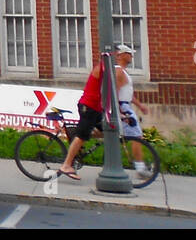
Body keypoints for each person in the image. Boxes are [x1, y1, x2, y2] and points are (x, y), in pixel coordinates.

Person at [57, 42, 135, 180]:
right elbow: (111, 92)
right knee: (83, 136)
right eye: (114, 55)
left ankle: (77, 134)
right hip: (89, 106)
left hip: (97, 108)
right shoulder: (104, 68)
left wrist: (118, 113)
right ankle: (66, 165)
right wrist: (118, 111)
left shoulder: (109, 68)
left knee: (108, 131)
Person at [115, 44, 150, 183]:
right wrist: (119, 110)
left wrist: (140, 105)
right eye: (129, 53)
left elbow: (126, 93)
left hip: (126, 105)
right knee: (136, 136)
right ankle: (140, 168)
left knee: (132, 136)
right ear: (122, 55)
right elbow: (116, 92)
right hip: (124, 107)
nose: (132, 56)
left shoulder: (124, 72)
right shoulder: (119, 72)